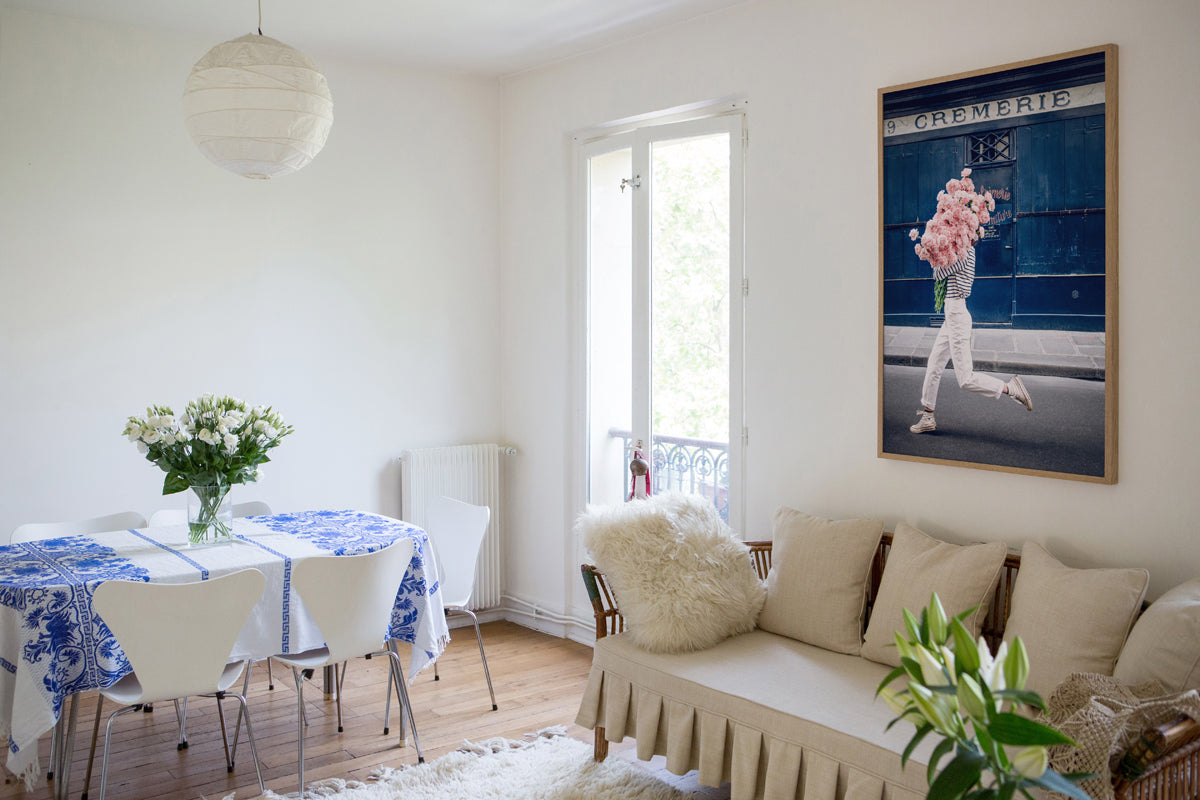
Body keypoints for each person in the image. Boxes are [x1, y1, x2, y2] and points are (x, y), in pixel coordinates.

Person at [910, 246, 1033, 434]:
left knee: (966, 379)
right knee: (934, 365)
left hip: (957, 316)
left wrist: (933, 254)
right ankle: (928, 416)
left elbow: (938, 273)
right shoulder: (959, 250)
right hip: (951, 316)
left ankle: (1010, 388)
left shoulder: (963, 252)